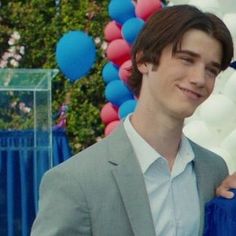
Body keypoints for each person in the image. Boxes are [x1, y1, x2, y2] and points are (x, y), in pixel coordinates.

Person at [31, 4, 236, 236]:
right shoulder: (74, 181)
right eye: (186, 60)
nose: (200, 79)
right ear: (143, 60)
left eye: (211, 70)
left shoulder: (214, 170)